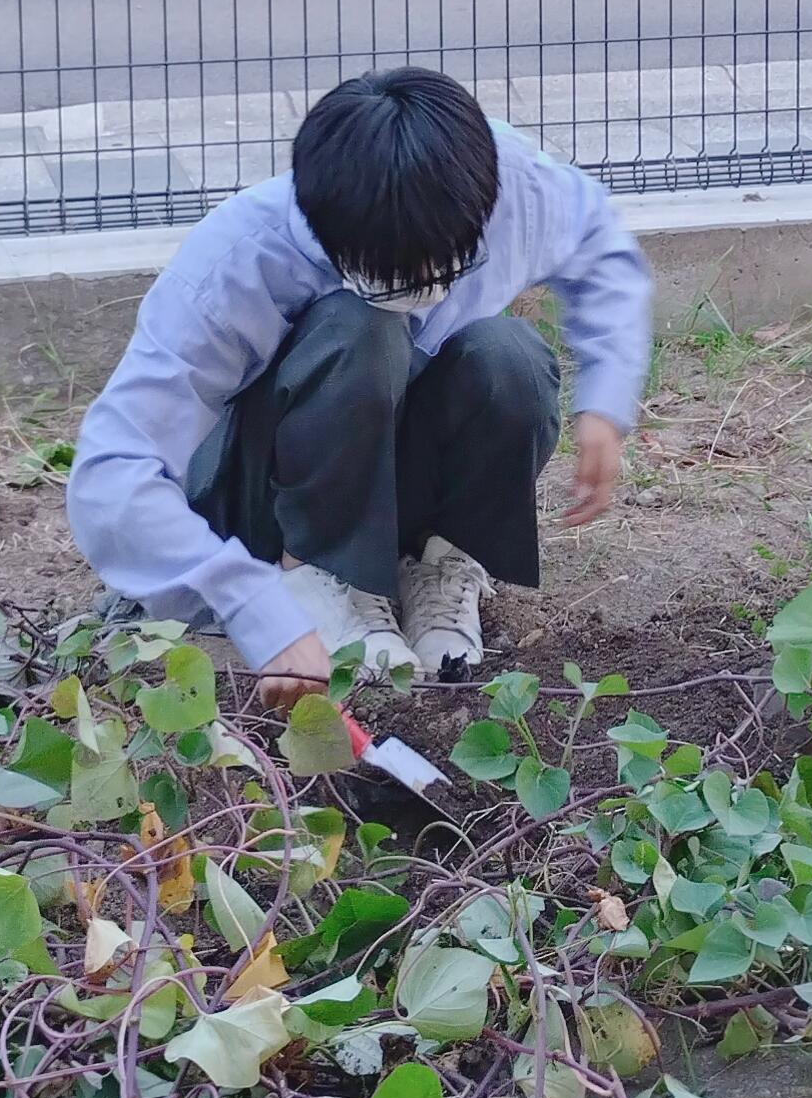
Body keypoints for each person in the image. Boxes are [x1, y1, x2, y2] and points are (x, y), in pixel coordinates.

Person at [69, 67, 649, 696]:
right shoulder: (237, 263)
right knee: (361, 330)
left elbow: (601, 245)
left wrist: (608, 397)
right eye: (397, 272)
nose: (431, 285)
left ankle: (432, 568)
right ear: (327, 231)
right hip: (268, 505)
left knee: (508, 355)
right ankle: (322, 575)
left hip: (398, 483)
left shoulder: (509, 182)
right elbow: (111, 472)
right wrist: (251, 603)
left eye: (452, 261)